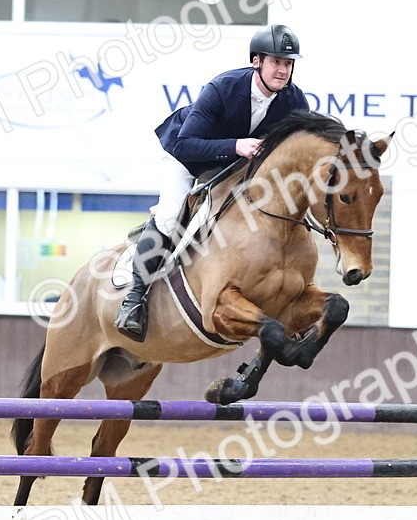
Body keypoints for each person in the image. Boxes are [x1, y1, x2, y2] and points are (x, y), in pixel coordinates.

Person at [113, 23, 310, 342]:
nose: (283, 70)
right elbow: (184, 143)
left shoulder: (294, 99)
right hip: (188, 159)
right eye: (276, 62)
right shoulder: (223, 87)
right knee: (169, 215)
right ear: (256, 61)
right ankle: (133, 301)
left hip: (235, 170)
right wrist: (236, 145)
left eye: (288, 63)